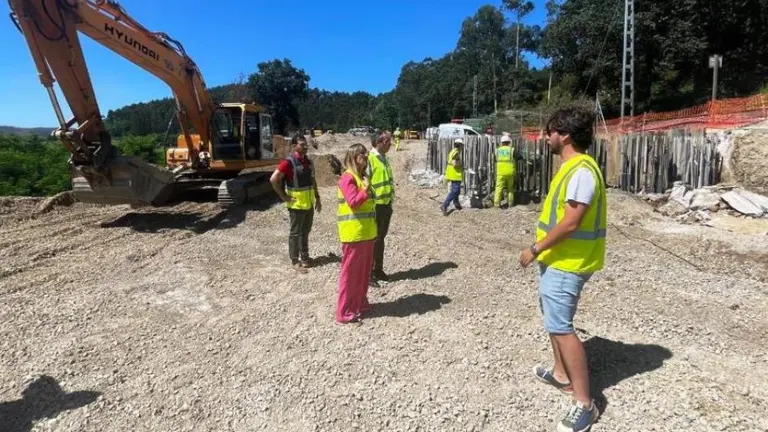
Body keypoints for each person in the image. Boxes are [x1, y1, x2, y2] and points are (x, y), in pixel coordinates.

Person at [518, 106, 606, 432]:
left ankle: (584, 403)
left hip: (568, 262)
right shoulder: (572, 168)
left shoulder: (580, 171)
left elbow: (571, 223)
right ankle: (561, 374)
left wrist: (535, 249)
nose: (547, 137)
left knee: (561, 327)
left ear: (565, 135)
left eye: (550, 132)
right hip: (557, 259)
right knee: (553, 320)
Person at [336, 143, 377, 325]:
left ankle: (360, 303)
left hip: (366, 232)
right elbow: (353, 202)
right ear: (353, 157)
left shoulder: (362, 177)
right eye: (362, 154)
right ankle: (344, 311)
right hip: (353, 234)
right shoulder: (347, 178)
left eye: (366, 153)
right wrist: (366, 190)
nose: (366, 156)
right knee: (350, 274)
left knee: (363, 272)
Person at [269, 134, 322, 274]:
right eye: (302, 144)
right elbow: (273, 179)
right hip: (296, 206)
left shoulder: (308, 162)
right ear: (294, 146)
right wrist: (284, 197)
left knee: (305, 232)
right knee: (295, 233)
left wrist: (317, 197)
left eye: (305, 144)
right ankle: (295, 260)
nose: (305, 146)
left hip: (308, 204)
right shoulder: (288, 163)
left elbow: (313, 181)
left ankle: (305, 257)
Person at [366, 131, 395, 286]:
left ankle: (378, 269)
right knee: (373, 239)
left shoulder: (383, 158)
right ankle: (368, 273)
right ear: (379, 142)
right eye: (387, 141)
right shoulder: (370, 159)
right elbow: (365, 183)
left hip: (386, 204)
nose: (391, 143)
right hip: (375, 205)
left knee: (381, 238)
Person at [440, 138, 464, 216]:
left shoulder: (452, 151)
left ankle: (456, 203)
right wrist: (461, 164)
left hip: (452, 173)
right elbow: (454, 163)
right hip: (455, 174)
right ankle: (445, 205)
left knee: (457, 190)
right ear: (460, 145)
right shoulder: (456, 153)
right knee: (455, 190)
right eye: (462, 145)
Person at [494, 134, 516, 208]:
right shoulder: (512, 150)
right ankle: (510, 204)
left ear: (501, 142)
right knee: (510, 188)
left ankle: (497, 204)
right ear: (509, 142)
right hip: (510, 172)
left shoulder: (497, 150)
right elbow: (519, 157)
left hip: (500, 173)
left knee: (498, 188)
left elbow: (494, 159)